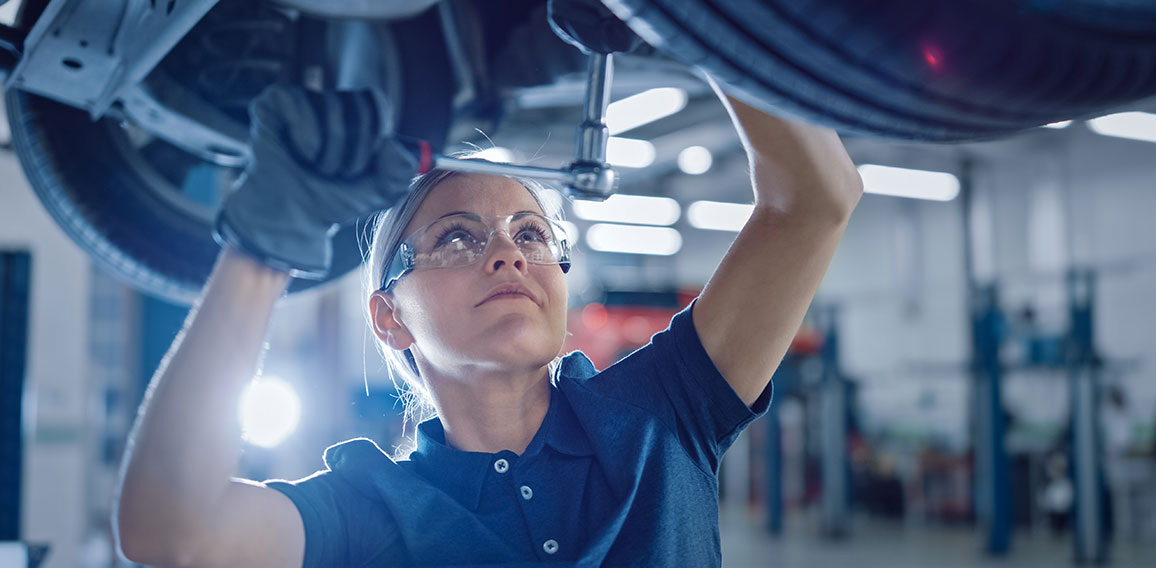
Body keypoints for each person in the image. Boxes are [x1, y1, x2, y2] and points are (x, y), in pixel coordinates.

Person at [113, 73, 861, 566]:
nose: (508, 253)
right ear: (389, 318)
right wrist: (264, 246)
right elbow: (169, 533)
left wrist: (696, 21)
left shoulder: (663, 413)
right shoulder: (369, 512)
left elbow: (817, 198)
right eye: (457, 238)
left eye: (530, 233)